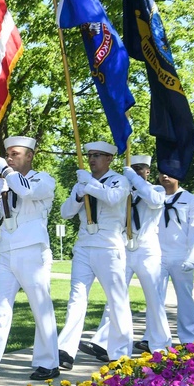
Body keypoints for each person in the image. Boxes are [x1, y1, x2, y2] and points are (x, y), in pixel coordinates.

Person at [0, 136, 60, 383]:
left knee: (41, 307)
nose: (9, 158)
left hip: (31, 251)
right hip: (6, 252)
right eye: (7, 154)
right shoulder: (7, 182)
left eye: (15, 154)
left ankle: (48, 362)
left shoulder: (43, 180)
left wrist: (6, 172)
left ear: (29, 156)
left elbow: (26, 191)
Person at [82, 155, 172, 360]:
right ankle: (103, 342)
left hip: (146, 249)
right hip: (123, 246)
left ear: (148, 171)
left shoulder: (155, 190)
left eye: (141, 169)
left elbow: (155, 201)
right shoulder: (123, 192)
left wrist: (135, 178)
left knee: (153, 298)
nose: (137, 171)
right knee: (115, 297)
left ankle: (160, 344)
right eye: (133, 168)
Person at [56, 142, 134, 367]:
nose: (92, 159)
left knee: (116, 299)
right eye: (90, 155)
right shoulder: (83, 182)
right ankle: (66, 350)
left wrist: (88, 184)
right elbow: (66, 212)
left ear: (109, 159)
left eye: (98, 155)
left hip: (109, 247)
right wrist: (78, 195)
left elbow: (112, 198)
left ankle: (119, 352)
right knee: (76, 298)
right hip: (84, 246)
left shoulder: (119, 180)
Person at [157, 172, 194, 344]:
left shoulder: (191, 201)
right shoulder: (154, 198)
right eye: (161, 172)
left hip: (181, 256)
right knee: (155, 299)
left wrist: (192, 259)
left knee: (185, 299)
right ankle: (157, 338)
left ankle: (189, 338)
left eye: (169, 173)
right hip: (158, 256)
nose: (164, 176)